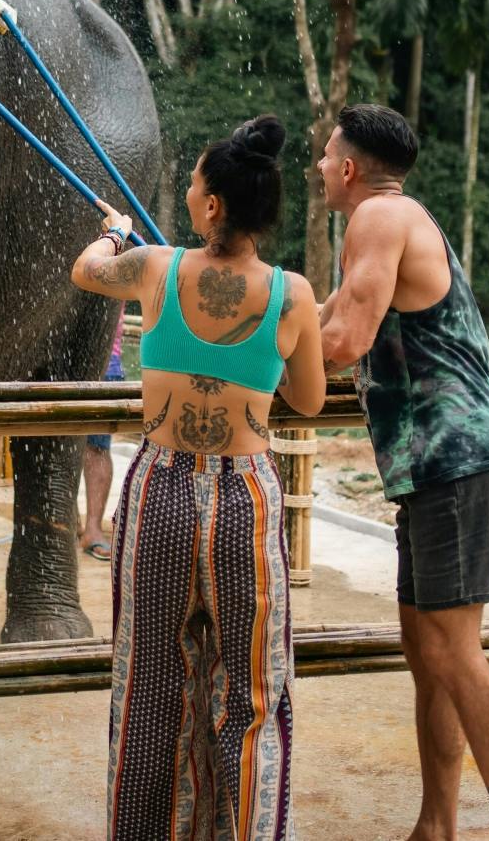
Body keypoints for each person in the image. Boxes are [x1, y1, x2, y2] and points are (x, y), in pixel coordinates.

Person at [71, 114, 326, 841]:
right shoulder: (293, 293)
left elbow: (85, 270)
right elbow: (306, 400)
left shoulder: (156, 266)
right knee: (253, 697)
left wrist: (119, 232)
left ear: (214, 206)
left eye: (193, 183)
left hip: (160, 493)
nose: (185, 190)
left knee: (150, 686)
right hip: (245, 493)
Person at [314, 103, 489, 841]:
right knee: (427, 652)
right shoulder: (389, 221)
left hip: (456, 462)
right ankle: (435, 824)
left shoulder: (379, 219)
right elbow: (319, 320)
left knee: (454, 652)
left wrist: (256, 370)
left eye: (323, 156)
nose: (317, 168)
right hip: (436, 470)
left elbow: (342, 341)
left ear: (348, 168)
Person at [78, 309, 127, 561]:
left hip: (107, 361)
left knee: (97, 448)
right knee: (56, 445)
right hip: (62, 359)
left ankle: (93, 529)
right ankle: (68, 521)